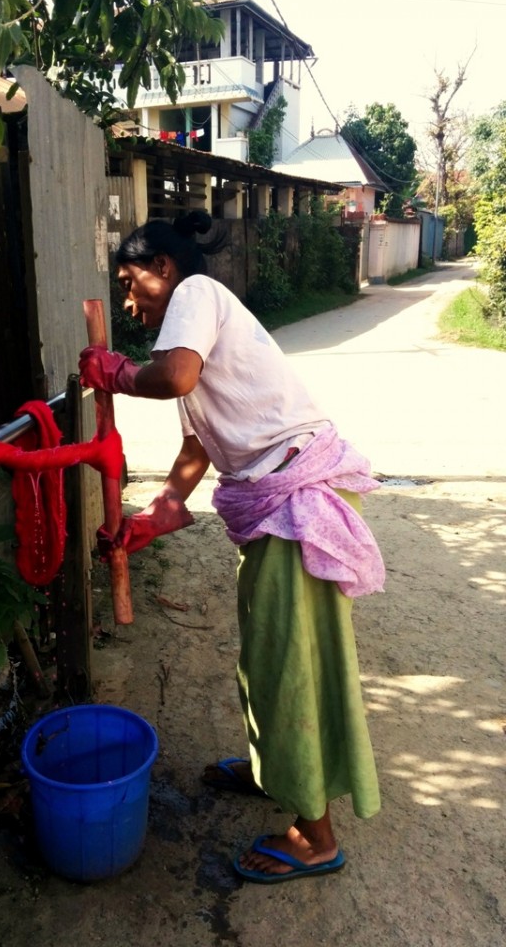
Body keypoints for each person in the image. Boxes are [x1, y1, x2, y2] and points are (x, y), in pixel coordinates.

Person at [79, 210, 385, 885]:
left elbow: (171, 378)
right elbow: (198, 450)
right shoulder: (198, 341)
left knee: (288, 666)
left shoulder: (195, 295)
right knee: (264, 656)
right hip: (277, 505)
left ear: (164, 268)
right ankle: (274, 769)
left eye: (131, 284)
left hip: (295, 506)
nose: (129, 303)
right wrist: (154, 517)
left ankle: (315, 837)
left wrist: (117, 372)